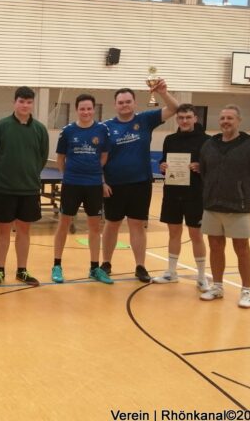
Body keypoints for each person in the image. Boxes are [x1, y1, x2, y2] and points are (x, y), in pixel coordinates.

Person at [101, 79, 179, 283]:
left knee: (137, 225)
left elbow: (175, 109)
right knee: (112, 224)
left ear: (134, 103)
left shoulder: (145, 119)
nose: (125, 105)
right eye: (121, 102)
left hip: (140, 183)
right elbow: (99, 158)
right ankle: (106, 263)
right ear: (115, 105)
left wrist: (163, 92)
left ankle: (140, 266)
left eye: (128, 101)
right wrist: (102, 182)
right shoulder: (106, 127)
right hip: (114, 185)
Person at [199, 105, 250, 308]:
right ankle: (217, 286)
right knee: (215, 247)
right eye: (222, 118)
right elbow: (204, 172)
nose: (225, 122)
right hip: (212, 207)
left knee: (242, 249)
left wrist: (245, 199)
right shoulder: (209, 145)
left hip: (238, 208)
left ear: (239, 121)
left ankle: (246, 291)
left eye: (230, 118)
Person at [0, 86, 48, 287]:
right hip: (4, 188)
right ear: (14, 102)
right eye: (21, 101)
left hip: (29, 189)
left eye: (29, 102)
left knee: (24, 230)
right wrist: (1, 176)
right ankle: (0, 270)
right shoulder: (1, 126)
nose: (25, 105)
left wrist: (30, 174)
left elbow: (42, 157)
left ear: (32, 104)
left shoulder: (40, 129)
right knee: (3, 230)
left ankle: (22, 270)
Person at [51, 94, 113, 285]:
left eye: (89, 108)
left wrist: (94, 173)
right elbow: (60, 159)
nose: (86, 112)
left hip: (93, 185)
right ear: (76, 110)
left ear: (93, 109)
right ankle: (57, 265)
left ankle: (94, 268)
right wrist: (69, 176)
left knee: (94, 227)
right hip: (72, 184)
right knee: (64, 223)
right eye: (82, 109)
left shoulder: (102, 130)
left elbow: (104, 156)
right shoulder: (68, 131)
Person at [153, 104, 211, 290]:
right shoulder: (170, 139)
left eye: (188, 117)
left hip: (195, 194)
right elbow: (164, 161)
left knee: (196, 235)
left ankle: (201, 276)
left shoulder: (207, 141)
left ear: (195, 118)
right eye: (181, 118)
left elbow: (213, 167)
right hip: (172, 193)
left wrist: (201, 167)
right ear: (177, 119)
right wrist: (163, 166)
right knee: (174, 233)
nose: (184, 121)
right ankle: (171, 272)